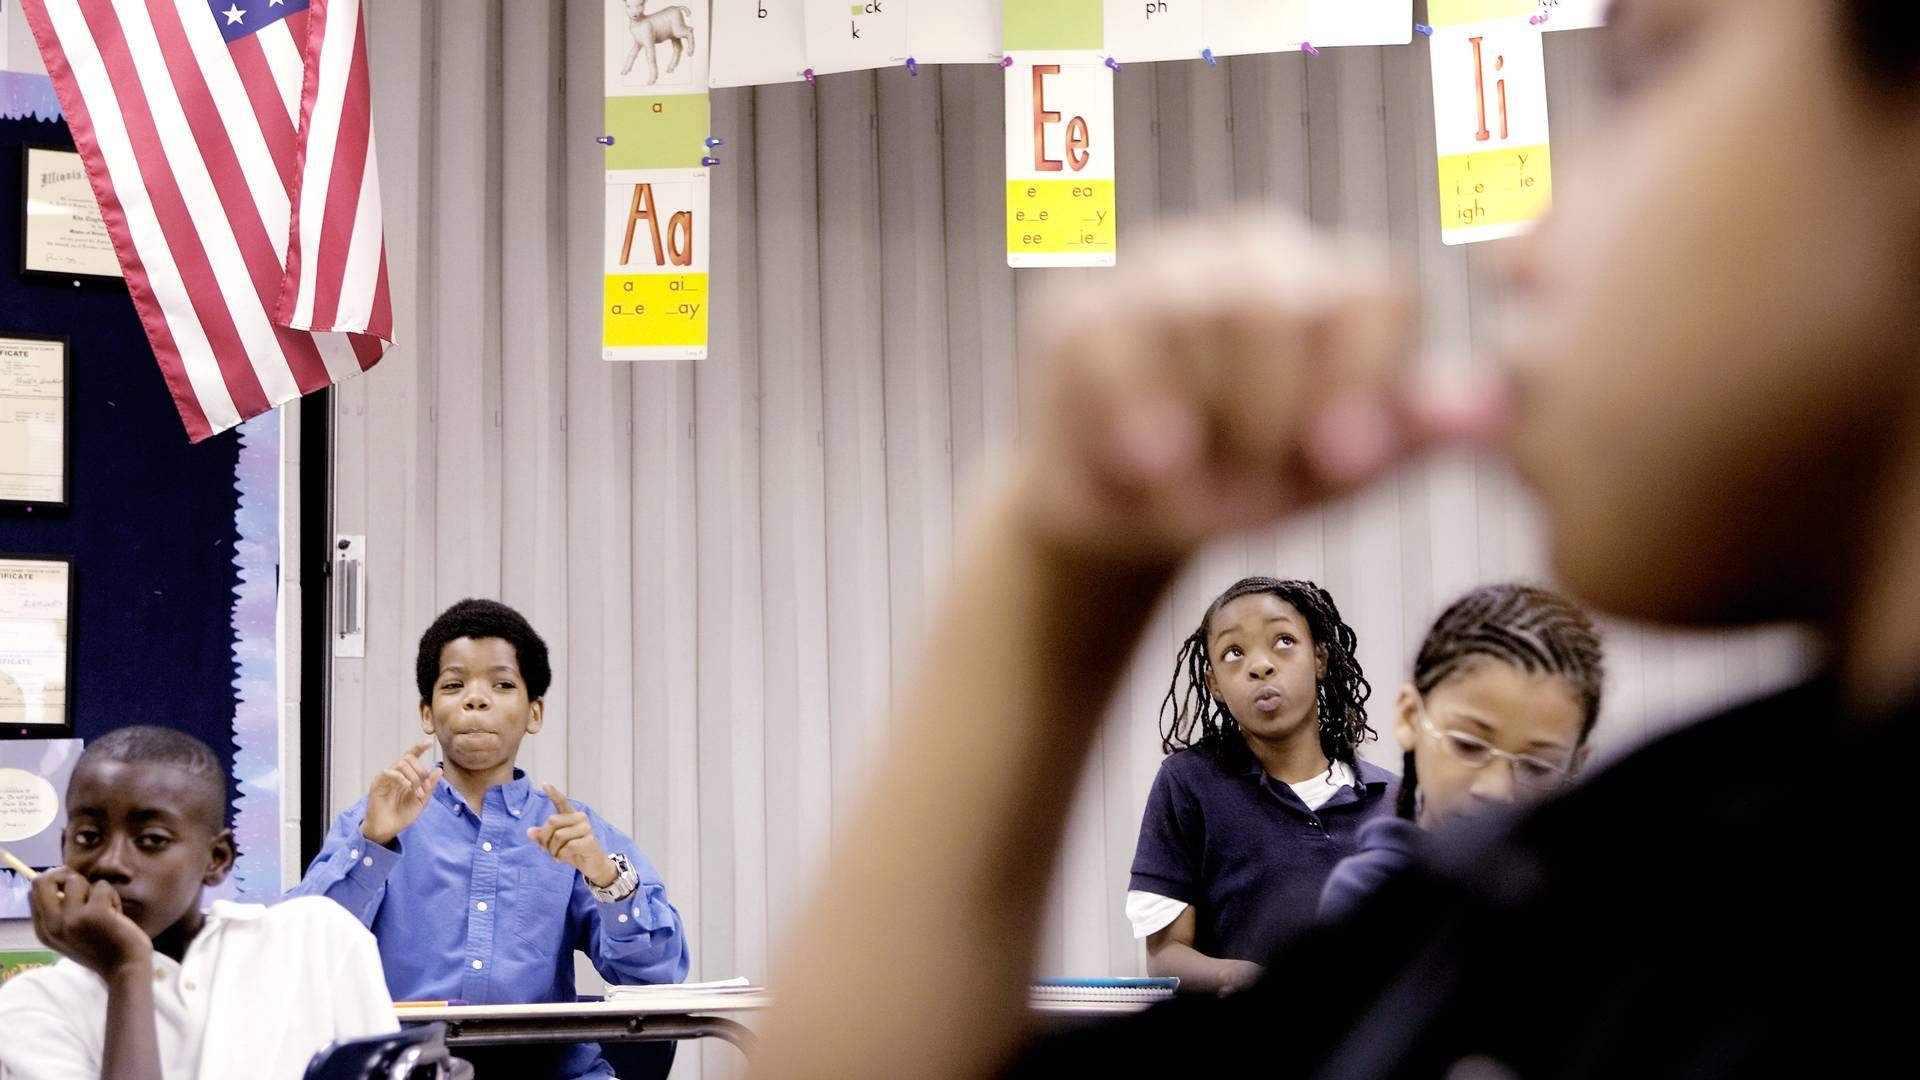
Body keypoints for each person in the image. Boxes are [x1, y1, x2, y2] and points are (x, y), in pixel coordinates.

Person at [749, 1, 1919, 1076]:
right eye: (1234, 652)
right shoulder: (1626, 883)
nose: (1521, 247)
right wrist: (1060, 553)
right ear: (1410, 716)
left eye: (1648, 66)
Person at [289, 599, 688, 1080]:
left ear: (534, 712)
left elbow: (657, 977)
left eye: (502, 685)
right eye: (454, 685)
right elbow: (302, 952)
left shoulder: (574, 829)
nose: (476, 700)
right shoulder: (376, 818)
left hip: (549, 1070)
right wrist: (372, 843)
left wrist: (605, 878)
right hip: (411, 1068)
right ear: (427, 713)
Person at [0, 728, 395, 1080]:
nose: (110, 863)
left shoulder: (316, 939)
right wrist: (127, 968)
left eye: (152, 839)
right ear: (63, 847)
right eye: (89, 836)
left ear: (217, 859)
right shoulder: (33, 1004)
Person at [1129, 576, 1396, 992]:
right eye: (1234, 652)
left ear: (1320, 658)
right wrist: (1242, 979)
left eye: (1284, 641)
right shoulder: (1188, 783)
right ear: (1214, 683)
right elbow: (1165, 955)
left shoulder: (1394, 799)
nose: (1260, 665)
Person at [1317, 583, 1602, 920]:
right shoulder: (1369, 899)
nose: (1495, 790)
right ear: (1410, 717)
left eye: (1538, 766)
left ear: (1575, 765)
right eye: (1468, 745)